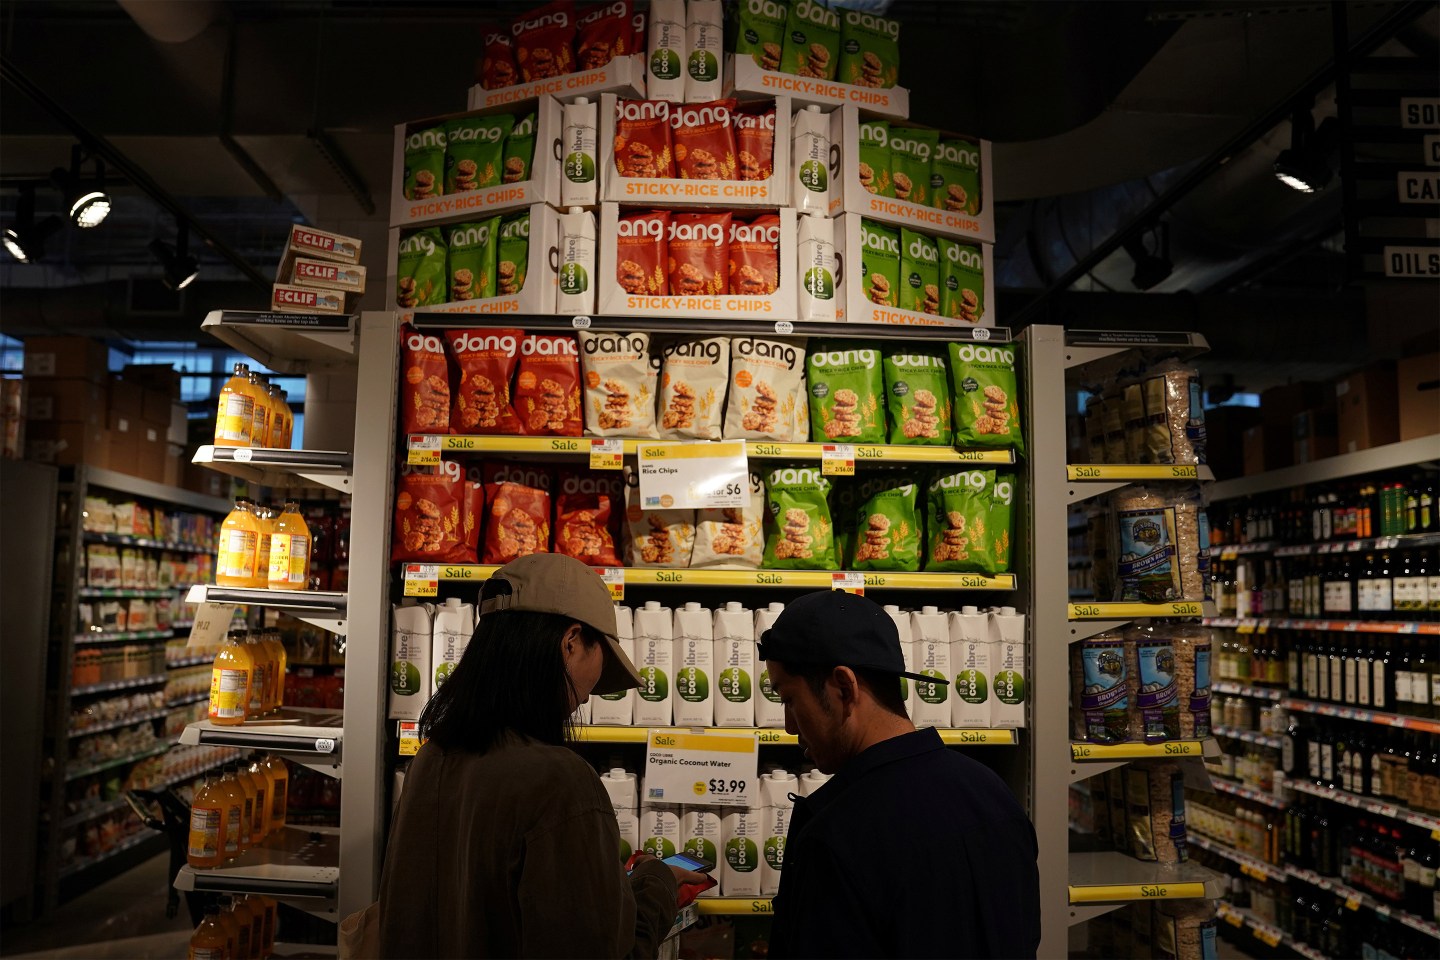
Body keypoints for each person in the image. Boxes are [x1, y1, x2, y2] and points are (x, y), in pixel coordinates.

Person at [376, 554, 701, 958]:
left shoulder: (431, 760)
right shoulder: (561, 783)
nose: (588, 696)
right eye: (601, 658)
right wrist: (657, 884)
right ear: (571, 642)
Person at [758, 591, 1041, 959]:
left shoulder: (837, 837)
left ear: (844, 688)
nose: (789, 725)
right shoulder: (995, 796)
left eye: (789, 700)